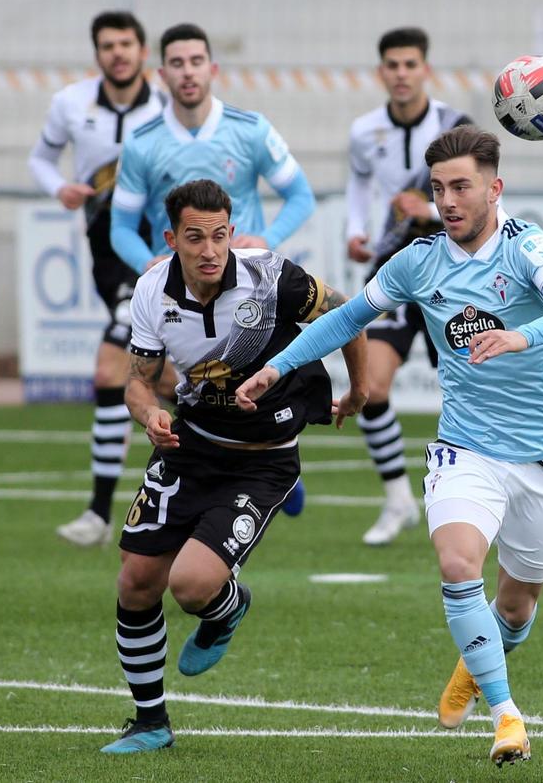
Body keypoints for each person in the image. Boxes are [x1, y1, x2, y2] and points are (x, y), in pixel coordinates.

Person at [237, 125, 543, 766]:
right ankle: (506, 715)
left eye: (462, 186)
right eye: (437, 189)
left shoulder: (526, 247)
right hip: (467, 446)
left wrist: (523, 336)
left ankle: (476, 663)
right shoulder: (417, 260)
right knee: (459, 565)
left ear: (495, 187)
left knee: (515, 606)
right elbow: (348, 318)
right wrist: (276, 366)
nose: (449, 200)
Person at [100, 179, 368, 753]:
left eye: (219, 235)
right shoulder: (152, 291)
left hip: (261, 462)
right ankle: (150, 722)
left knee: (191, 586)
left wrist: (360, 390)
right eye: (194, 237)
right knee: (136, 579)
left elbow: (347, 311)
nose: (210, 249)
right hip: (190, 446)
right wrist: (149, 416)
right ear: (172, 239)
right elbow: (139, 384)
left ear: (231, 231)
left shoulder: (270, 278)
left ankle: (227, 607)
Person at [111, 22, 316, 515]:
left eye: (196, 61)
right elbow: (119, 225)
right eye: (177, 63)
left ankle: (270, 462)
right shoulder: (142, 142)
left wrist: (263, 241)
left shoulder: (250, 130)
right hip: (180, 285)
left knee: (253, 378)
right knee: (173, 382)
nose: (187, 72)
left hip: (245, 287)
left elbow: (300, 196)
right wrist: (150, 265)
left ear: (212, 68)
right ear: (161, 73)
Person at [28, 11, 169, 547]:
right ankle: (241, 438)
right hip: (104, 250)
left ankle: (97, 513)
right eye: (108, 45)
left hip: (160, 250)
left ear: (141, 50)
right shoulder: (70, 103)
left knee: (112, 368)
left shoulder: (165, 107)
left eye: (127, 44)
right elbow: (40, 160)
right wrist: (58, 187)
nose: (118, 53)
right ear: (98, 54)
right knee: (172, 376)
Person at [345, 27, 472, 546]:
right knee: (369, 388)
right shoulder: (363, 130)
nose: (401, 74)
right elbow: (358, 185)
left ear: (426, 70)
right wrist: (355, 231)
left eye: (410, 64)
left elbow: (479, 200)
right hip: (396, 271)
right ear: (382, 72)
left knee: (470, 390)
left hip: (455, 274)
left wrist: (434, 211)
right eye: (392, 65)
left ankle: (475, 496)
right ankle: (398, 497)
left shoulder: (453, 127)